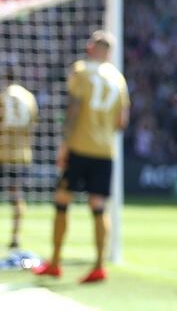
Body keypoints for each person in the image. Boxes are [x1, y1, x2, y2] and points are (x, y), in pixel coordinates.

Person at [33, 30, 130, 283]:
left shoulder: (81, 70)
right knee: (98, 206)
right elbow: (122, 122)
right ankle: (99, 265)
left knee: (62, 200)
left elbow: (73, 110)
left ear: (90, 48)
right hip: (105, 150)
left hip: (79, 146)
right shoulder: (119, 79)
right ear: (109, 53)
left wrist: (65, 145)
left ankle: (55, 261)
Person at [1, 69, 38, 251]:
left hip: (3, 154)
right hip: (22, 155)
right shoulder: (29, 98)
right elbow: (32, 124)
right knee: (17, 196)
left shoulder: (3, 97)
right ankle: (15, 236)